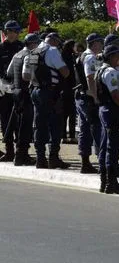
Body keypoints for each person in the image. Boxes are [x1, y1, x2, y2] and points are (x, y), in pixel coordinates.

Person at [23, 32, 71, 170]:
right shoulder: (52, 51)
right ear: (54, 41)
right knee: (55, 125)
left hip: (35, 91)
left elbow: (25, 76)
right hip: (50, 93)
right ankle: (53, 158)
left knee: (39, 125)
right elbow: (65, 72)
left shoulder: (31, 53)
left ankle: (40, 158)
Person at [4, 33, 40, 166]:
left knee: (18, 124)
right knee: (25, 125)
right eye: (37, 43)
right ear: (32, 44)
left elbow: (9, 73)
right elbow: (28, 74)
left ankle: (20, 153)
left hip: (15, 92)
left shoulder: (17, 54)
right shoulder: (30, 55)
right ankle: (21, 155)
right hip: (26, 93)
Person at [96, 45, 119, 194]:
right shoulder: (110, 72)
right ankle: (110, 181)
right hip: (111, 109)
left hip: (103, 108)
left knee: (104, 145)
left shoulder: (101, 69)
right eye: (118, 55)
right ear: (112, 56)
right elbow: (115, 95)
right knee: (111, 147)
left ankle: (104, 181)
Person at [74, 33, 103, 174]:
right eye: (100, 42)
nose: (102, 45)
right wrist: (96, 97)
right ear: (94, 43)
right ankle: (101, 160)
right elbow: (90, 78)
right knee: (96, 128)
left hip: (81, 96)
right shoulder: (90, 57)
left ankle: (85, 162)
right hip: (89, 98)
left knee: (84, 130)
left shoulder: (82, 55)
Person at [0, 20, 24, 161]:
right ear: (6, 32)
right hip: (4, 88)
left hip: (19, 87)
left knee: (20, 120)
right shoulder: (1, 48)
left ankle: (20, 151)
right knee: (5, 120)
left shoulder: (22, 47)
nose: (14, 34)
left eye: (16, 32)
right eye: (12, 32)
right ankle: (9, 151)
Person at [60, 39, 77, 144]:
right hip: (70, 88)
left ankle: (63, 136)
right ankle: (71, 135)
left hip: (63, 88)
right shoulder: (70, 58)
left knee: (64, 114)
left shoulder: (61, 56)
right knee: (71, 113)